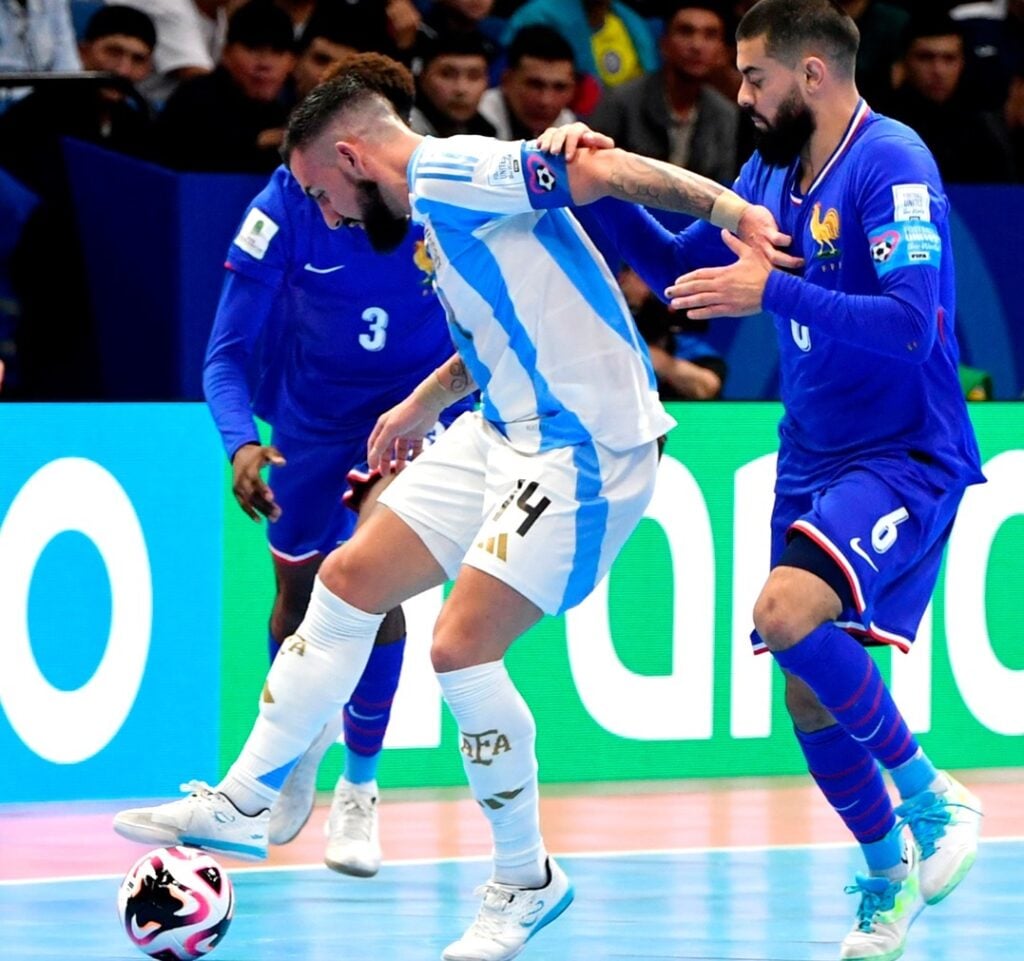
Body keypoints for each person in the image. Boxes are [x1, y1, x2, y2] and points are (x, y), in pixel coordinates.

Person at [113, 50, 789, 961]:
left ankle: (525, 878)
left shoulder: (451, 168)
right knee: (347, 580)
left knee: (460, 645)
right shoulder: (430, 210)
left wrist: (732, 209)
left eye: (321, 193)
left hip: (586, 443)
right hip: (502, 424)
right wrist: (422, 404)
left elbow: (595, 168)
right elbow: (499, 326)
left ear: (352, 158)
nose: (324, 214)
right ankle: (244, 796)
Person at [551, 1, 985, 957]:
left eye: (755, 78)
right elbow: (672, 268)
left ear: (814, 74)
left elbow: (915, 327)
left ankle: (930, 798)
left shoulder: (892, 161)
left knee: (786, 614)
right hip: (813, 453)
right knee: (804, 691)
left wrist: (771, 290)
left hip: (904, 451)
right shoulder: (768, 173)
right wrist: (600, 185)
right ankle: (883, 878)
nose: (740, 95)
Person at [203, 65, 474, 871]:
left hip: (422, 410)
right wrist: (239, 443)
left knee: (368, 572)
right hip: (312, 424)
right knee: (295, 598)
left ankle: (359, 788)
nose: (317, 196)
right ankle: (290, 758)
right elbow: (224, 356)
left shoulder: (445, 192)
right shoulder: (282, 207)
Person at [590, 0, 742, 186]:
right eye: (686, 32)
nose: (697, 45)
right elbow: (593, 173)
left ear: (721, 51)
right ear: (664, 44)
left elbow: (723, 188)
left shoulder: (725, 113)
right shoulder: (621, 102)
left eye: (710, 35)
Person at [155, 0, 295, 172]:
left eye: (277, 53)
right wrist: (257, 142)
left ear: (291, 63)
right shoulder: (194, 100)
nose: (265, 64)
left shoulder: (287, 116)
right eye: (253, 49)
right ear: (226, 53)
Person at [884, 13, 1015, 184]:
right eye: (925, 57)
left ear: (962, 63)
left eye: (949, 58)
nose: (938, 70)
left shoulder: (984, 130)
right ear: (903, 62)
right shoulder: (882, 124)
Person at [478, 25, 577, 140]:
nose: (545, 101)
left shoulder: (567, 124)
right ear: (506, 81)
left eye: (560, 87)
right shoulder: (477, 117)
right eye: (535, 85)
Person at [409, 30, 495, 137]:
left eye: (474, 76)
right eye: (447, 74)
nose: (461, 89)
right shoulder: (403, 128)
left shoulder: (486, 133)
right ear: (422, 77)